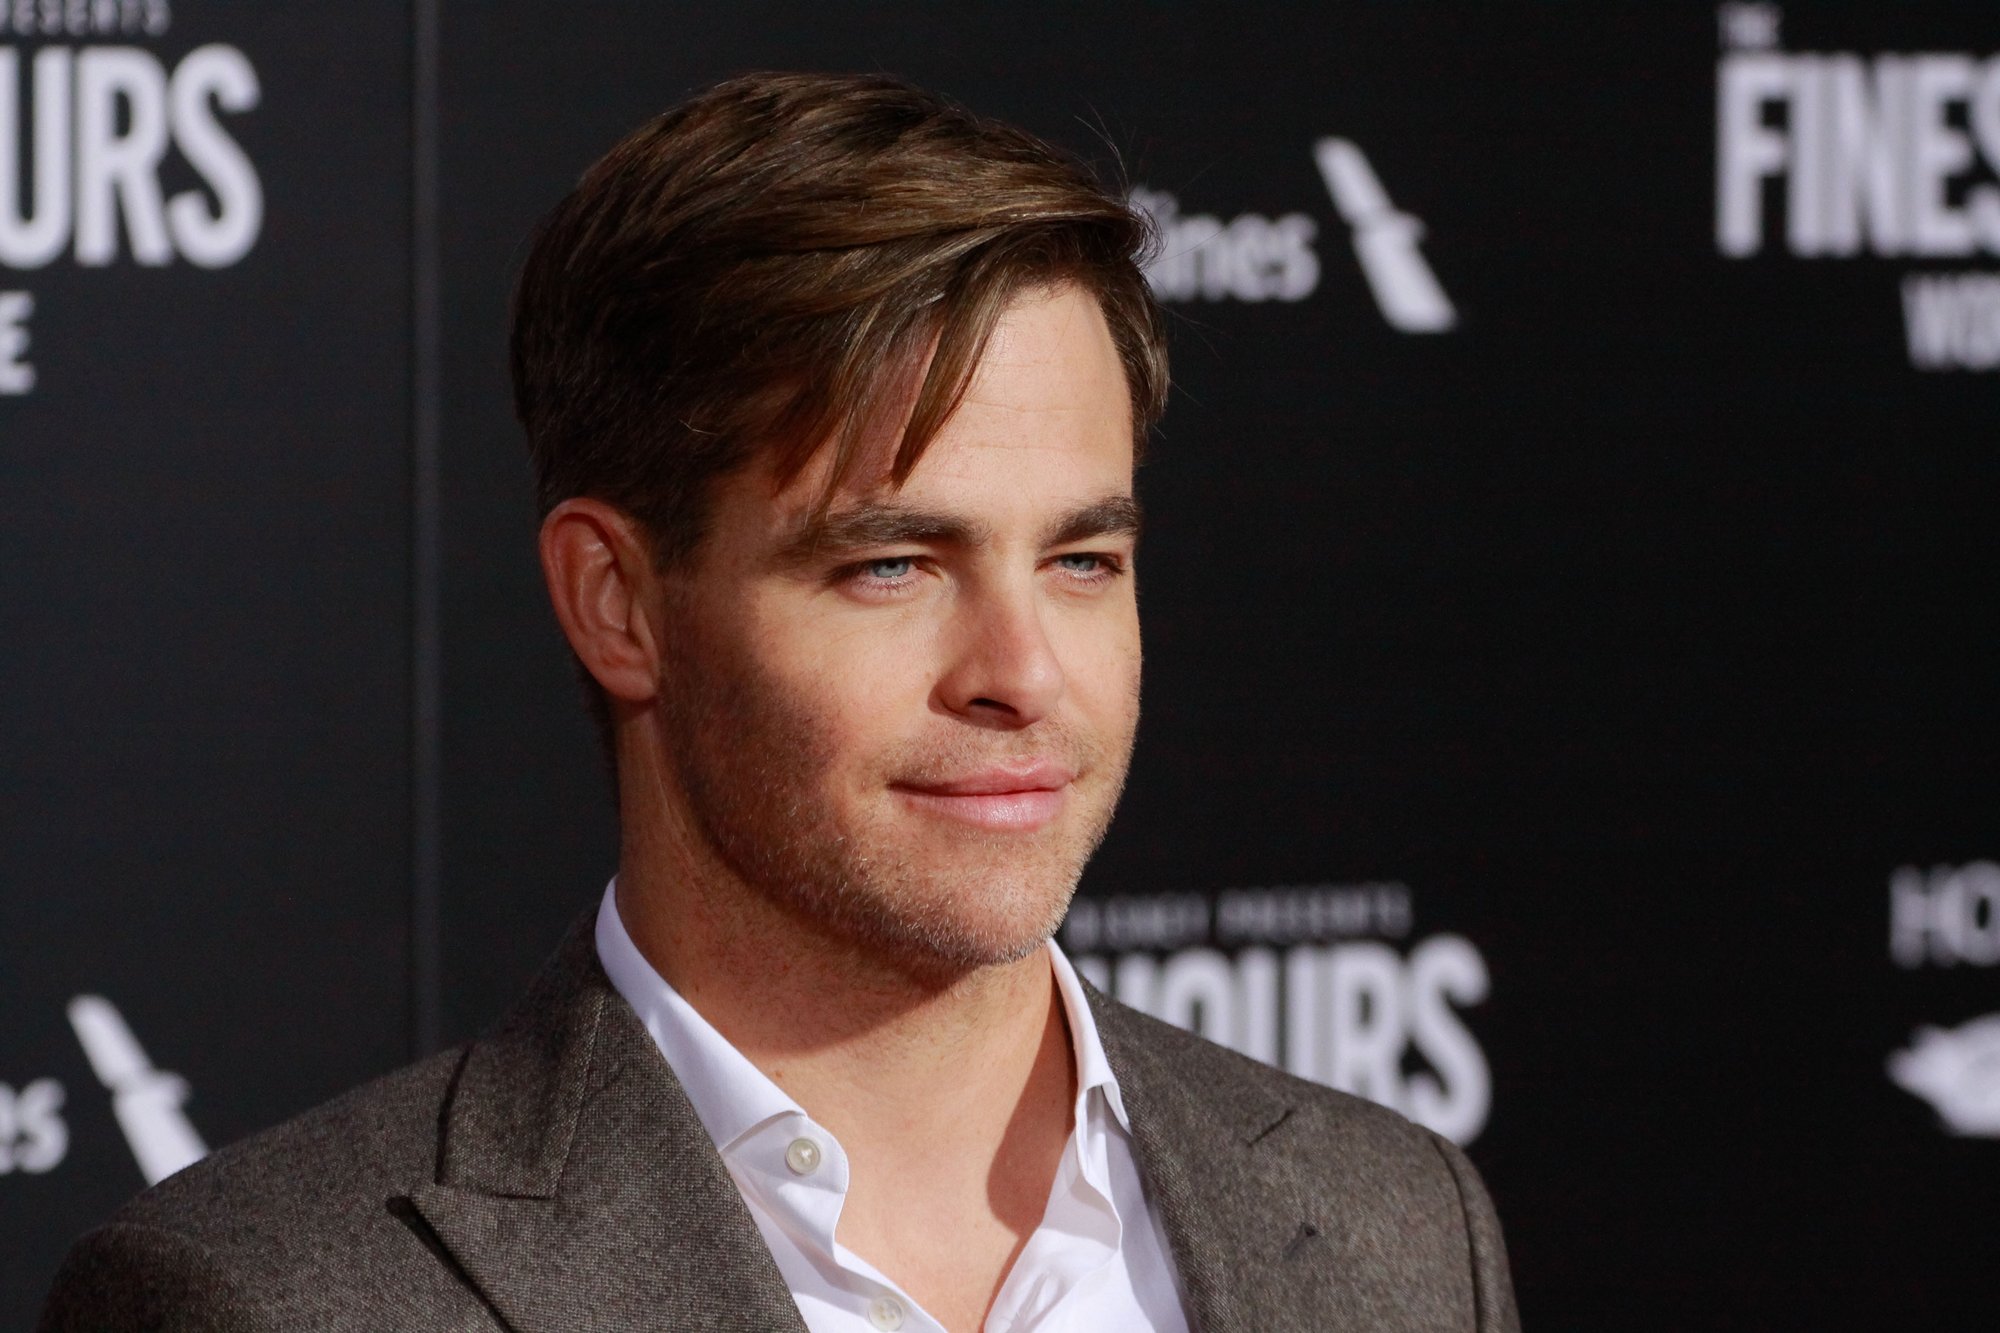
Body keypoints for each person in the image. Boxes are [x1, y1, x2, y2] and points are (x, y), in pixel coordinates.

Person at [39, 72, 1519, 1333]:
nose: (1021, 673)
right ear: (618, 602)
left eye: (1082, 559)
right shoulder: (275, 1298)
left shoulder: (1390, 1225)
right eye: (892, 565)